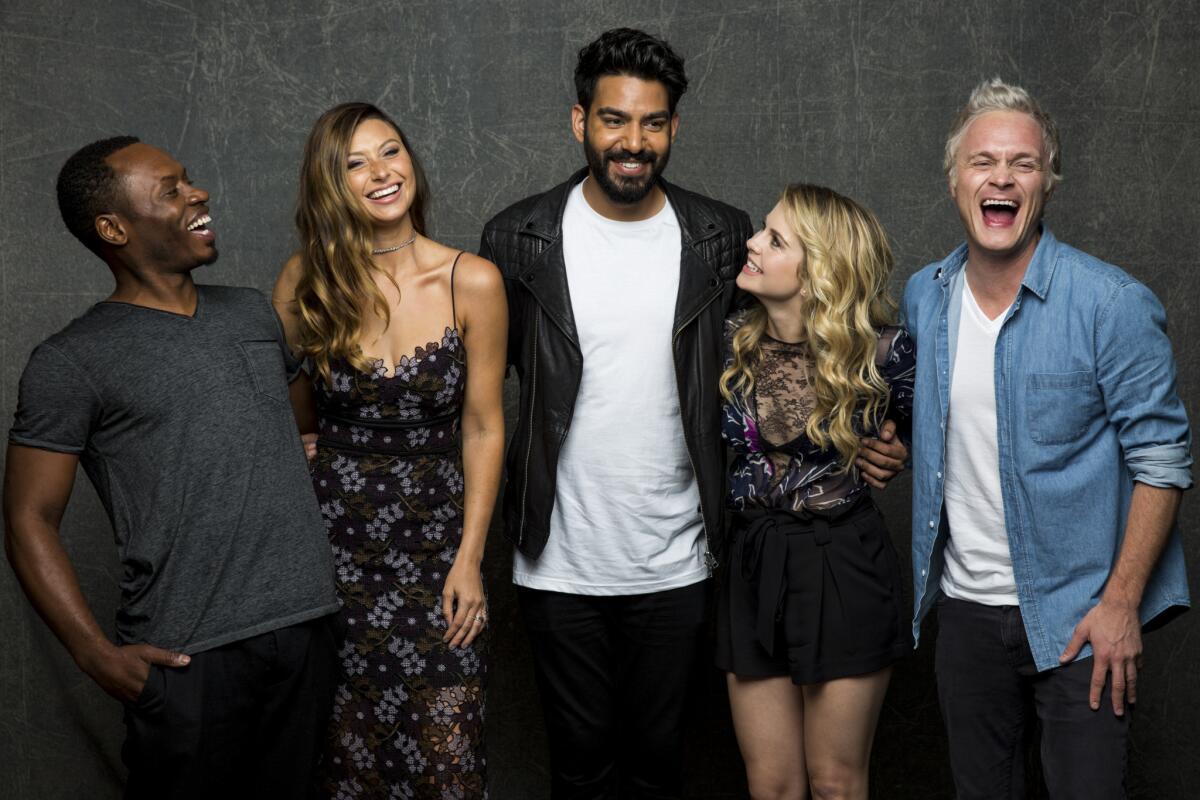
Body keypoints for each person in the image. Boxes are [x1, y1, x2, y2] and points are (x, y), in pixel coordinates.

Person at [478, 28, 908, 798]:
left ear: (674, 127)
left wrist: (876, 438)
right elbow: (486, 389)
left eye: (651, 123)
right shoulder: (518, 239)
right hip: (557, 559)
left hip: (682, 558)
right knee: (578, 769)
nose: (632, 142)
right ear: (581, 122)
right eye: (614, 119)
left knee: (660, 767)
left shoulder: (716, 237)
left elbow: (806, 337)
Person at [4, 137, 340, 797]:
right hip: (190, 656)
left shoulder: (251, 313)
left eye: (188, 181)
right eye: (170, 189)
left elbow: (300, 423)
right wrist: (93, 652)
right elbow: (27, 517)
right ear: (113, 228)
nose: (198, 194)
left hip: (306, 631)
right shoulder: (72, 360)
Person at [903, 78, 1192, 799]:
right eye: (983, 161)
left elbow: (1162, 462)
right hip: (966, 617)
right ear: (954, 180)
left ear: (1046, 184)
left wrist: (1121, 603)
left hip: (1080, 620)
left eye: (1023, 164)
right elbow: (936, 425)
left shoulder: (1111, 306)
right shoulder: (923, 298)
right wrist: (889, 446)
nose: (1001, 176)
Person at [273, 102, 507, 799]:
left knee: (446, 753)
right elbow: (290, 406)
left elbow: (486, 427)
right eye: (355, 163)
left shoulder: (473, 280)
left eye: (391, 151)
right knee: (345, 756)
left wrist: (470, 559)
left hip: (438, 548)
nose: (381, 172)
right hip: (334, 551)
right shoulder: (302, 280)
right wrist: (311, 446)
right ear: (329, 183)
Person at [717, 184, 914, 800]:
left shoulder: (886, 354)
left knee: (835, 782)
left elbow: (925, 442)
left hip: (843, 563)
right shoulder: (729, 342)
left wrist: (897, 452)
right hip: (752, 560)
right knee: (772, 786)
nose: (751, 242)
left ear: (820, 270)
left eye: (775, 239)